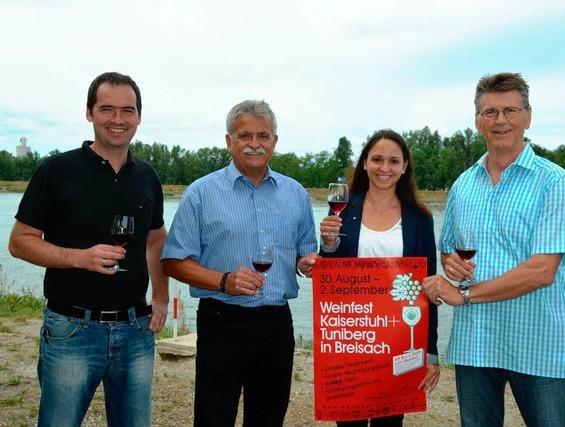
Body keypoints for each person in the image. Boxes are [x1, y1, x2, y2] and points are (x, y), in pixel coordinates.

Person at [8, 71, 168, 426]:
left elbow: (156, 239)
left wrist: (160, 295)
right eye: (107, 109)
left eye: (127, 111)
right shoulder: (57, 170)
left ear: (139, 117)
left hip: (135, 329)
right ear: (89, 113)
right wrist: (80, 257)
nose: (117, 119)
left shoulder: (147, 177)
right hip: (71, 330)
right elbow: (19, 242)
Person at [422, 72, 565, 426]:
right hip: (476, 343)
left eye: (510, 110)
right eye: (490, 112)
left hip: (538, 343)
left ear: (528, 115)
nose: (501, 121)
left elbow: (542, 270)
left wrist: (464, 294)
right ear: (477, 120)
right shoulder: (463, 185)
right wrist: (451, 266)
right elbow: (449, 251)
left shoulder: (555, 182)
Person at [161, 99, 318, 427]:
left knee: (268, 418)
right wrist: (223, 280)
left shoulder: (296, 194)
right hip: (222, 322)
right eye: (245, 135)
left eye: (263, 136)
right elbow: (173, 261)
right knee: (213, 417)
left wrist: (310, 262)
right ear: (229, 140)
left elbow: (306, 257)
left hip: (277, 324)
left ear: (275, 141)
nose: (255, 144)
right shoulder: (201, 193)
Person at [319, 129, 440, 427]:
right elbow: (330, 273)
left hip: (399, 338)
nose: (385, 168)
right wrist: (329, 244)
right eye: (377, 159)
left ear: (405, 166)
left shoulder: (420, 217)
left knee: (390, 423)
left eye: (393, 161)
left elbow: (428, 288)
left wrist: (431, 352)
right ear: (364, 163)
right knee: (349, 421)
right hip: (353, 337)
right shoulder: (342, 211)